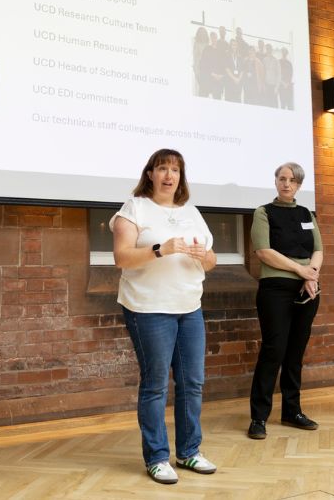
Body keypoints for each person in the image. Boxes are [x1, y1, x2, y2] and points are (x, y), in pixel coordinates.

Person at [110, 148, 218, 484]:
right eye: (162, 168)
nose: (169, 175)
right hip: (148, 309)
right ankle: (157, 457)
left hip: (189, 308)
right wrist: (160, 249)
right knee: (156, 385)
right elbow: (121, 258)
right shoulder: (135, 208)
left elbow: (212, 261)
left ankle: (188, 452)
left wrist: (204, 255)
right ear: (151, 174)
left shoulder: (191, 211)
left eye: (175, 170)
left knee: (192, 383)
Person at [247, 162, 323, 440]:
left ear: (299, 185)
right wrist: (300, 270)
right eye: (282, 179)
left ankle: (292, 411)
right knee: (273, 350)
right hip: (276, 290)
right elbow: (264, 252)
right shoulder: (263, 212)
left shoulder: (306, 213)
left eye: (292, 180)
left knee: (295, 354)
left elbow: (318, 249)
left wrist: (311, 275)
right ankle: (258, 417)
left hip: (307, 289)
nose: (286, 184)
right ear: (276, 181)